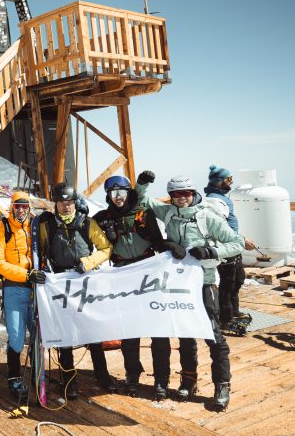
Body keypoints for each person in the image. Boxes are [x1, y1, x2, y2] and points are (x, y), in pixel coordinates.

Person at [139, 173, 245, 411]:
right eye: (175, 194)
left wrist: (211, 251)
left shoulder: (207, 215)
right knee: (185, 333)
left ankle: (222, 384)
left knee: (212, 334)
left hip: (205, 281)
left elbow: (236, 243)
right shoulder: (169, 213)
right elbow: (144, 200)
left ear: (193, 193)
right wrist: (142, 183)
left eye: (185, 193)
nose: (181, 198)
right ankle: (189, 380)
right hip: (179, 284)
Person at [93, 173, 183, 400]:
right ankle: (133, 375)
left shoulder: (143, 214)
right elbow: (84, 230)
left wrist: (170, 246)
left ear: (128, 192)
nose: (117, 197)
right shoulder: (103, 217)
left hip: (148, 272)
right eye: (112, 193)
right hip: (123, 276)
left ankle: (161, 380)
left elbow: (156, 241)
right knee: (129, 331)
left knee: (158, 330)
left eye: (121, 192)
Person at [33, 182, 116, 400]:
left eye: (69, 202)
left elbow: (106, 248)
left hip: (85, 280)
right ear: (55, 204)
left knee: (93, 331)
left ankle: (102, 375)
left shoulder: (87, 224)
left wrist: (89, 262)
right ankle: (69, 380)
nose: (66, 207)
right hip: (60, 283)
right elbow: (39, 253)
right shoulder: (47, 226)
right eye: (61, 203)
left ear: (75, 202)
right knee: (65, 334)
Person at [0, 190, 40, 400]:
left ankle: (40, 374)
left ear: (29, 207)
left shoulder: (36, 225)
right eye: (17, 206)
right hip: (14, 287)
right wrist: (26, 274)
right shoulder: (3, 227)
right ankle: (13, 377)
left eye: (24, 206)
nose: (21, 210)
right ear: (12, 207)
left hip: (37, 288)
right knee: (17, 338)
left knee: (38, 335)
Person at [204, 166, 257, 331]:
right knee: (227, 284)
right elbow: (220, 227)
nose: (231, 183)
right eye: (228, 180)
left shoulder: (221, 197)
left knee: (237, 280)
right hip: (225, 247)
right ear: (219, 182)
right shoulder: (214, 201)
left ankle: (234, 311)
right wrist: (242, 240)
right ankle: (225, 320)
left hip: (233, 246)